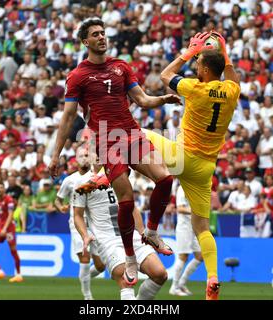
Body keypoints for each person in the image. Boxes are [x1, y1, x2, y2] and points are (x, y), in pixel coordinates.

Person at [48, 18, 180, 286]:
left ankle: (151, 232)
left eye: (103, 33)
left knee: (165, 178)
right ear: (85, 41)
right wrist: (55, 155)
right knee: (127, 199)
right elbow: (68, 117)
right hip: (107, 141)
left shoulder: (121, 66)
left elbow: (141, 100)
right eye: (95, 34)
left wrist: (162, 99)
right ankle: (130, 257)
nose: (101, 37)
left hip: (131, 133)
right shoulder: (77, 76)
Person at [142, 31, 241, 300]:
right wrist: (223, 48)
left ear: (206, 69)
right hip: (205, 168)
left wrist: (187, 52)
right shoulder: (232, 91)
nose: (196, 66)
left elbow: (164, 76)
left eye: (199, 64)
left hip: (181, 156)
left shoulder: (195, 88)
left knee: (136, 134)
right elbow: (230, 74)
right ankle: (212, 277)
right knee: (203, 228)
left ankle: (109, 176)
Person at [73, 164, 167, 300]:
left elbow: (131, 206)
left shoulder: (120, 174)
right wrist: (85, 235)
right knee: (125, 280)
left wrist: (142, 232)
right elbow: (77, 215)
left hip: (131, 235)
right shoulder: (83, 184)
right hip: (108, 240)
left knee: (160, 274)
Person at [55, 146, 105, 300]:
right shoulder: (69, 180)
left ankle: (85, 277)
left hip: (95, 224)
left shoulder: (97, 177)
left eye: (87, 155)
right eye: (81, 156)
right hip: (77, 223)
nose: (84, 158)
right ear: (76, 159)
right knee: (84, 258)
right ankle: (88, 297)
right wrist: (60, 207)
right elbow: (58, 199)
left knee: (101, 266)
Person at [169, 184, 203, 297]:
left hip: (194, 227)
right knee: (183, 256)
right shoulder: (182, 188)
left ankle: (182, 283)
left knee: (200, 256)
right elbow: (180, 208)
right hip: (184, 227)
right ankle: (174, 287)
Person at [0, 182, 22, 283]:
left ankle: (18, 275)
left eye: (1, 187)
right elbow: (2, 218)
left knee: (13, 251)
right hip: (1, 228)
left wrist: (5, 229)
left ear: (4, 189)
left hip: (9, 229)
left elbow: (11, 215)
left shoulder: (9, 200)